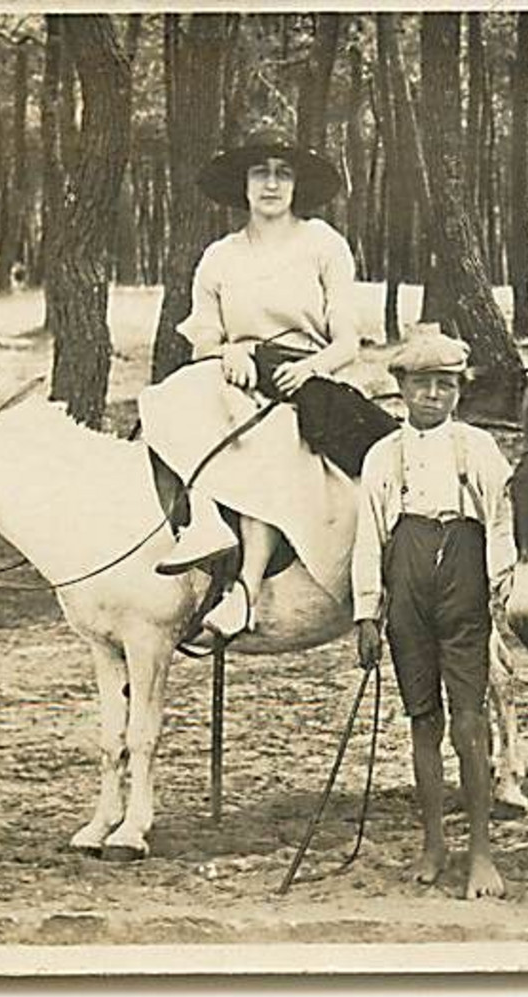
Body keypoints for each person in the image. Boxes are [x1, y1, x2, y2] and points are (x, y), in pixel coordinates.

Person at [140, 125, 395, 640]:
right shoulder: (221, 256)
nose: (272, 185)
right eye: (261, 173)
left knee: (273, 432)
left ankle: (246, 591)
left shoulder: (323, 244)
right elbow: (202, 340)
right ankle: (202, 525)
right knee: (169, 401)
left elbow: (347, 341)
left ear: (297, 186)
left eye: (283, 174)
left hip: (305, 376)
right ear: (244, 184)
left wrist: (312, 367)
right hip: (233, 371)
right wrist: (230, 350)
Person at [351, 324, 514, 900]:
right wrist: (367, 614)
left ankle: (482, 853)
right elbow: (368, 538)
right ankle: (433, 844)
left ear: (459, 391)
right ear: (401, 387)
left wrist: (500, 586)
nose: (434, 396)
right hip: (408, 584)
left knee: (469, 722)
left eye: (446, 385)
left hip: (465, 580)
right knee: (424, 719)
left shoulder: (478, 448)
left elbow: (500, 522)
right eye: (422, 384)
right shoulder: (383, 457)